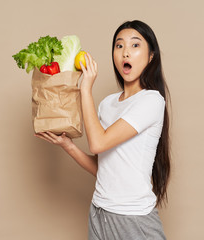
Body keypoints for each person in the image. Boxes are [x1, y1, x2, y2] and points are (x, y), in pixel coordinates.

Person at [35, 20, 171, 240]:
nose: (125, 52)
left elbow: (98, 142)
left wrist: (85, 88)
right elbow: (104, 168)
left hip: (133, 219)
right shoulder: (107, 104)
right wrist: (67, 146)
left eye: (135, 46)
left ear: (151, 56)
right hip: (99, 212)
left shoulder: (151, 101)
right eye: (119, 46)